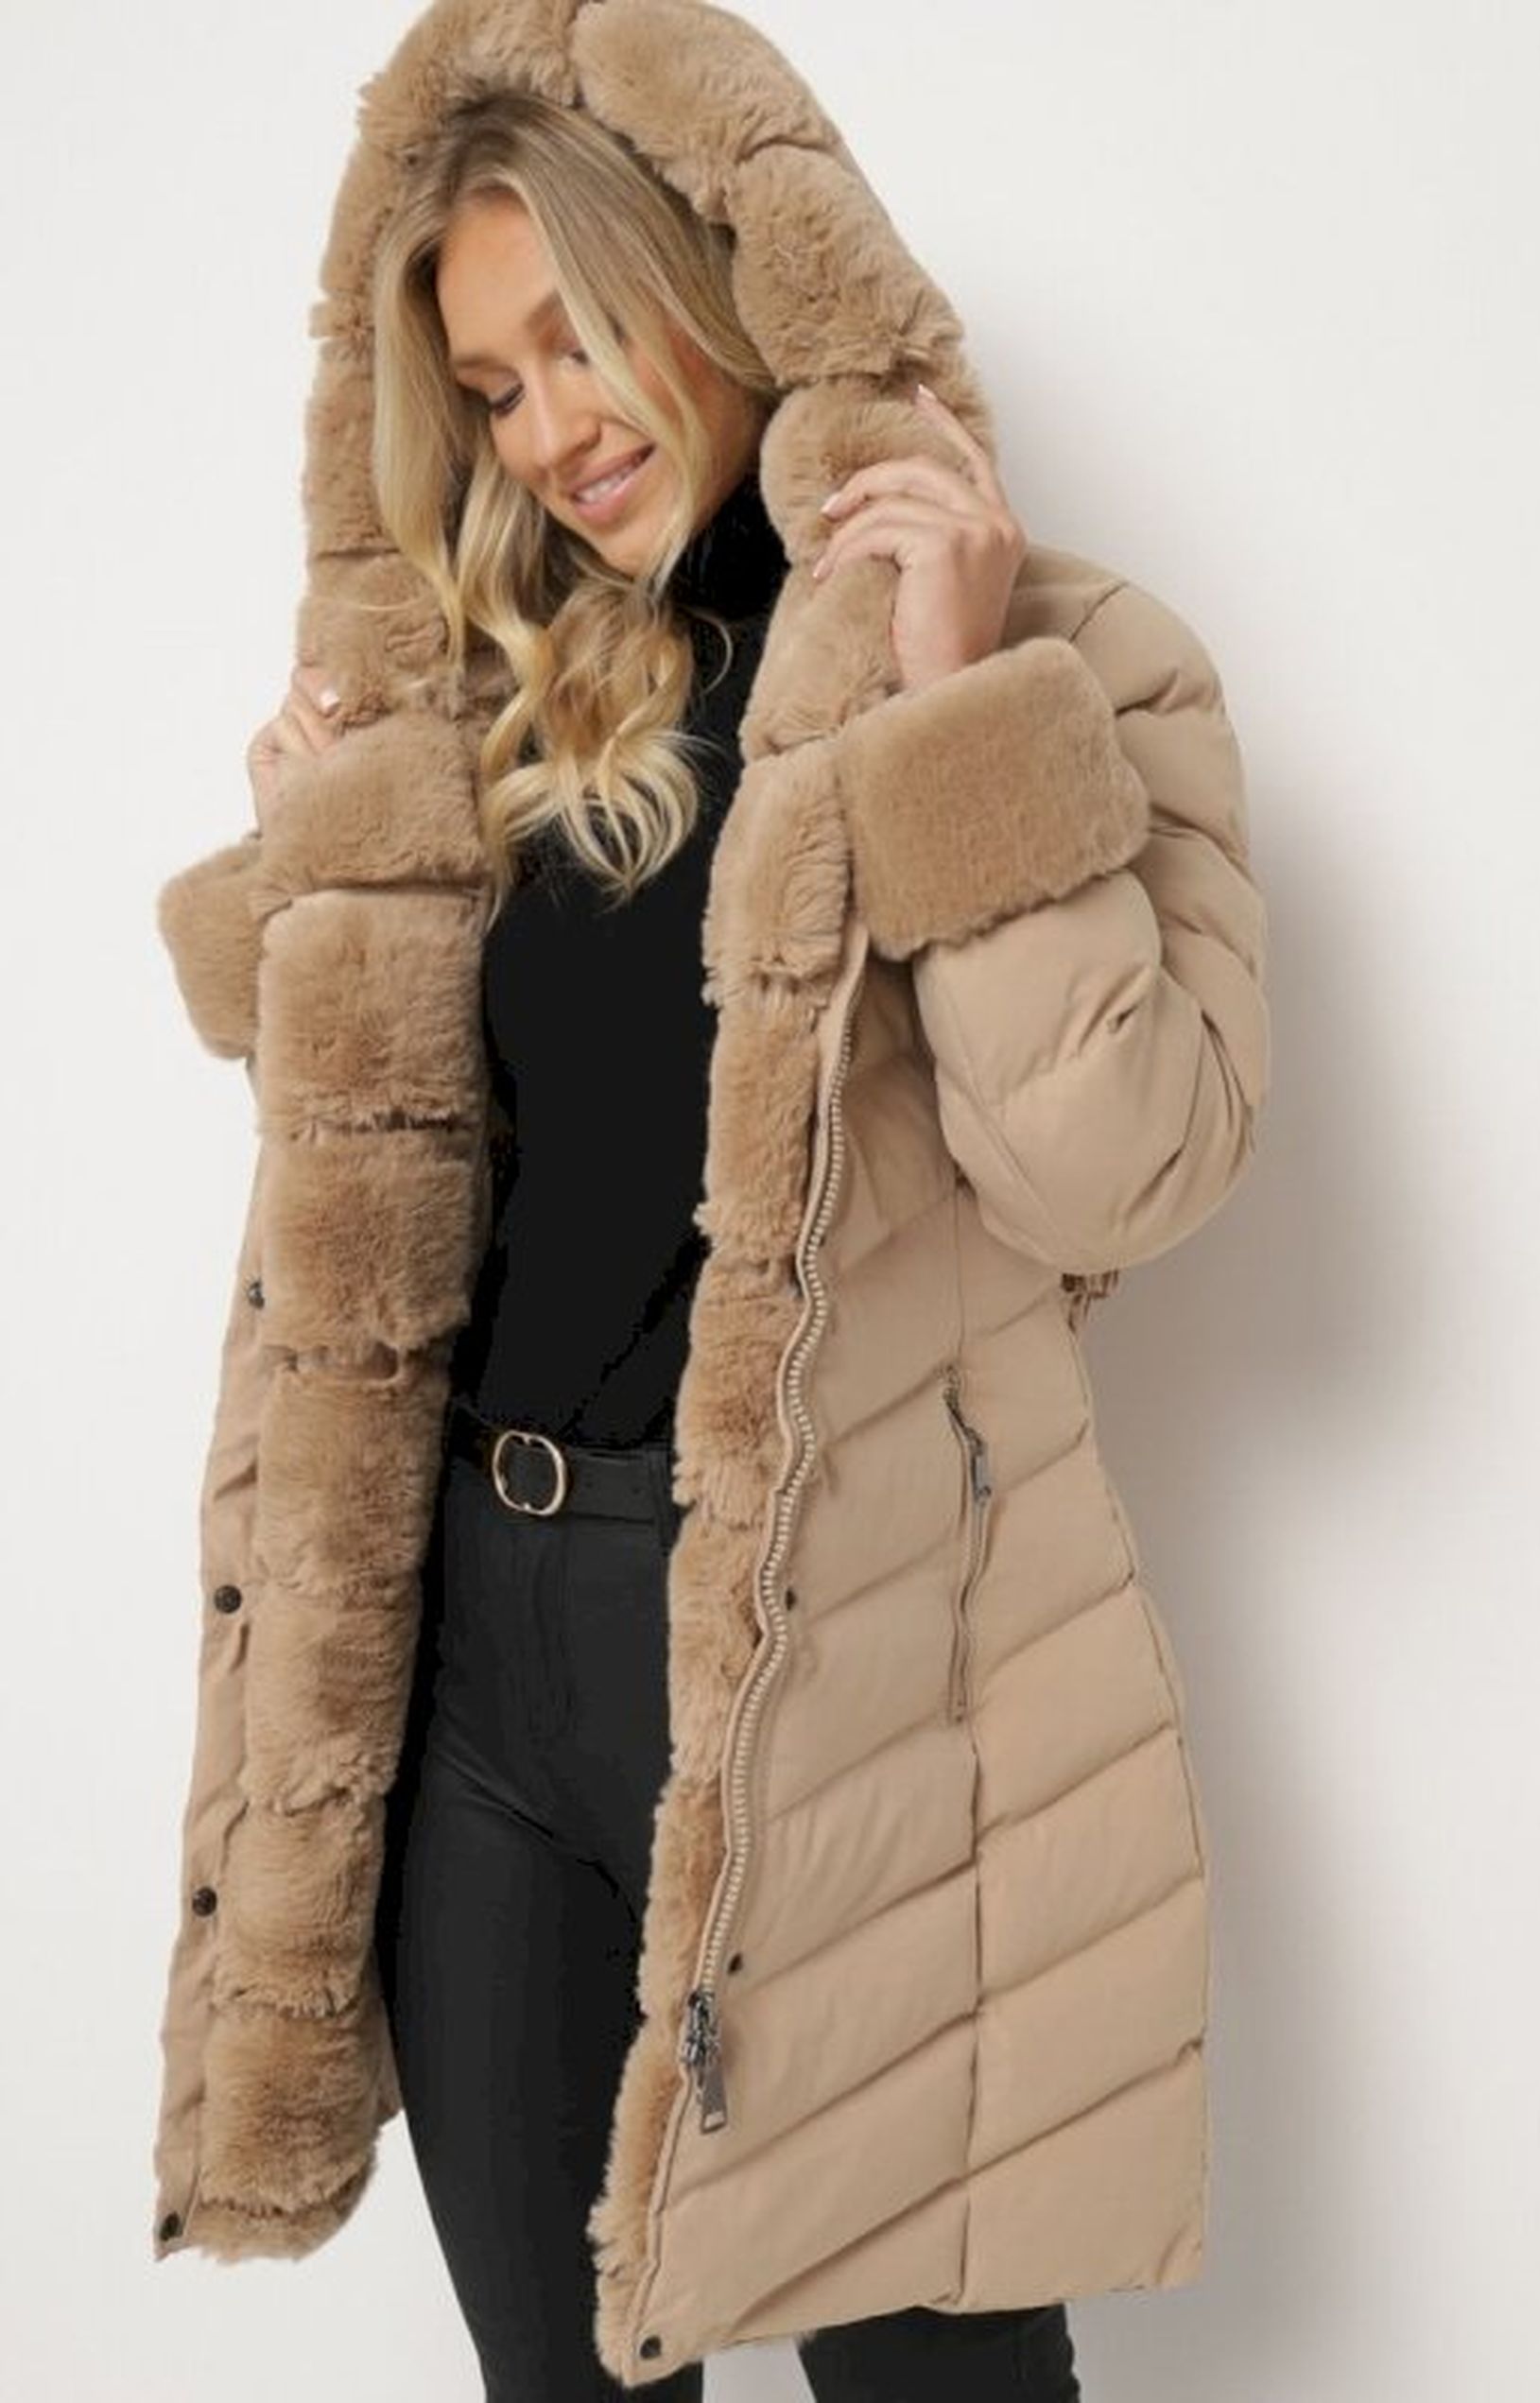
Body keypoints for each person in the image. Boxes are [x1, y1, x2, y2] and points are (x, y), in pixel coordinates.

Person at [148, 3, 1272, 2397]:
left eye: (580, 334)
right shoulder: (520, 707)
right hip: (479, 1663)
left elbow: (1126, 1161)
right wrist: (322, 874)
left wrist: (950, 723)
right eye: (490, 384)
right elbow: (412, 1191)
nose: (547, 428)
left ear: (715, 278)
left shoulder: (1064, 664)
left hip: (816, 1646)